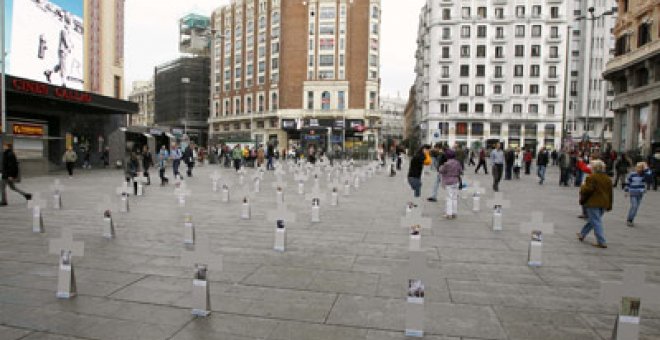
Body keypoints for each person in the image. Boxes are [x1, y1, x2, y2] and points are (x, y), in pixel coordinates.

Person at [576, 160, 612, 248]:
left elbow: (588, 190)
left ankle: (601, 241)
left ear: (594, 168)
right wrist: (610, 204)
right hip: (604, 203)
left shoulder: (591, 177)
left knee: (596, 221)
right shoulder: (608, 178)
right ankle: (582, 234)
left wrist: (583, 186)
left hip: (593, 202)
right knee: (594, 220)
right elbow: (610, 193)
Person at [625, 162, 651, 227]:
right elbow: (628, 182)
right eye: (638, 167)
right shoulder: (632, 174)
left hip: (640, 193)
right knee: (634, 206)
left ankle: (631, 219)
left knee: (636, 208)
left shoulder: (644, 175)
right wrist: (626, 191)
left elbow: (650, 177)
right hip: (633, 192)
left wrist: (646, 168)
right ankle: (629, 220)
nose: (638, 169)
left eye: (641, 168)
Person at [439, 149, 462, 219]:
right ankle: (454, 213)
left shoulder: (447, 164)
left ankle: (449, 213)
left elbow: (441, 170)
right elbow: (461, 171)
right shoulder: (458, 163)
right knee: (455, 198)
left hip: (449, 182)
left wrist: (441, 167)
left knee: (449, 198)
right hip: (456, 181)